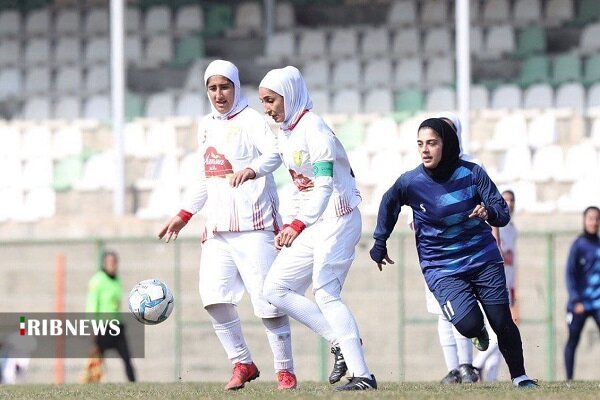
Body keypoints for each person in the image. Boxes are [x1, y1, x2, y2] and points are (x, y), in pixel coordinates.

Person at [231, 66, 377, 391]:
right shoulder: (287, 130)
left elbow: (324, 186)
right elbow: (279, 161)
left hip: (338, 218)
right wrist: (252, 171)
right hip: (314, 223)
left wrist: (297, 224)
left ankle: (363, 375)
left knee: (325, 292)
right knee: (274, 290)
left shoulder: (316, 130)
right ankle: (339, 342)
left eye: (271, 100)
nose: (267, 108)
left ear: (290, 95)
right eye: (263, 101)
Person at [158, 60, 297, 391]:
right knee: (213, 297)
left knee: (268, 303)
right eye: (212, 88)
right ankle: (243, 363)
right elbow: (207, 176)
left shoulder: (252, 121)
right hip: (218, 229)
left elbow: (276, 154)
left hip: (255, 225)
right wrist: (184, 214)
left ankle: (285, 371)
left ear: (236, 86)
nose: (219, 94)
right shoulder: (205, 125)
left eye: (225, 87)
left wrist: (251, 170)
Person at [369, 117, 537, 388]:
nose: (425, 150)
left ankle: (520, 377)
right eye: (420, 144)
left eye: (432, 143)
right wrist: (380, 241)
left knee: (502, 320)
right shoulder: (410, 182)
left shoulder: (472, 172)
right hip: (441, 266)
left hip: (482, 258)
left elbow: (501, 212)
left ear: (446, 145)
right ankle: (476, 331)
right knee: (468, 325)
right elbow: (389, 202)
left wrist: (489, 211)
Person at [419, 112, 479, 384]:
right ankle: (454, 369)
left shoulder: (472, 167)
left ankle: (467, 365)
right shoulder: (422, 174)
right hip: (436, 254)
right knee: (444, 312)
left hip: (467, 251)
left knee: (464, 308)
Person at [473, 189, 519, 381]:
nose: (508, 203)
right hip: (491, 285)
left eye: (511, 200)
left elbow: (513, 262)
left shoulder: (513, 229)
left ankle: (489, 379)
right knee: (500, 331)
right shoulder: (492, 224)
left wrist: (514, 288)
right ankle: (474, 366)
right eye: (505, 200)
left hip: (507, 286)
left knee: (502, 333)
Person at [84, 250, 135, 382]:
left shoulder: (117, 279)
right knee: (97, 360)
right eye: (109, 262)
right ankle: (96, 383)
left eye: (114, 262)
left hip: (117, 325)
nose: (112, 265)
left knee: (127, 358)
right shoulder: (97, 280)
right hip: (102, 326)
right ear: (104, 264)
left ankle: (133, 383)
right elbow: (92, 304)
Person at [563, 206, 600, 381]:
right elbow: (569, 274)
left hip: (597, 302)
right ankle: (570, 379)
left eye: (596, 218)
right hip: (580, 303)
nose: (594, 222)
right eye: (591, 218)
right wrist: (576, 299)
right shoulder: (578, 245)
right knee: (573, 340)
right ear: (584, 220)